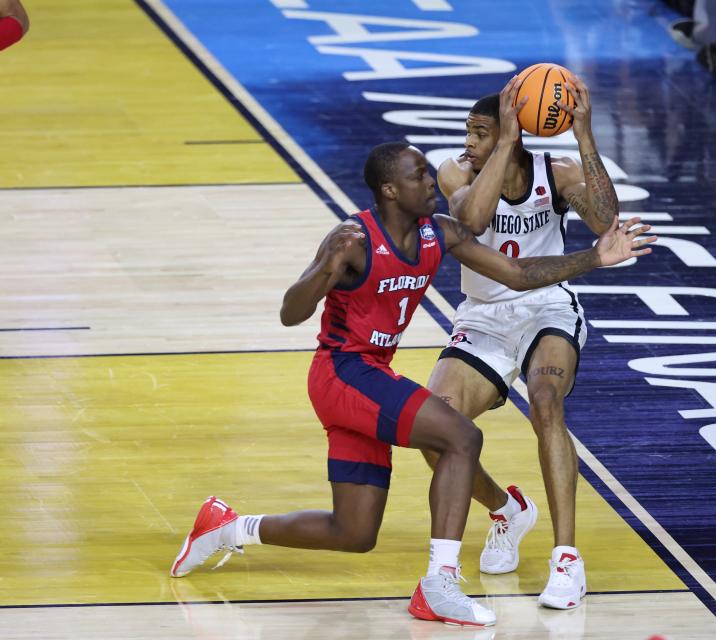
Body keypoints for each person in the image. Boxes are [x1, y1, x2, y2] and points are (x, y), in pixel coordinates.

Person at [169, 139, 655, 627]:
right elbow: (289, 313)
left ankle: (228, 528)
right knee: (461, 435)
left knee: (354, 531)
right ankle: (438, 586)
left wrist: (595, 258)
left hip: (368, 377)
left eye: (428, 173)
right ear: (389, 190)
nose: (430, 183)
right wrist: (325, 271)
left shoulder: (438, 233)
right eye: (418, 176)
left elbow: (518, 274)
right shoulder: (352, 240)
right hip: (343, 373)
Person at [421, 73, 625, 610]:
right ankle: (507, 510)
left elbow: (606, 222)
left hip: (547, 304)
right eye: (468, 131)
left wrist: (584, 135)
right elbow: (470, 219)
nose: (469, 142)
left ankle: (566, 560)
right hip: (483, 314)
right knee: (432, 425)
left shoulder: (555, 173)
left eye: (481, 132)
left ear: (516, 128)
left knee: (545, 401)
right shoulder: (452, 171)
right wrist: (504, 144)